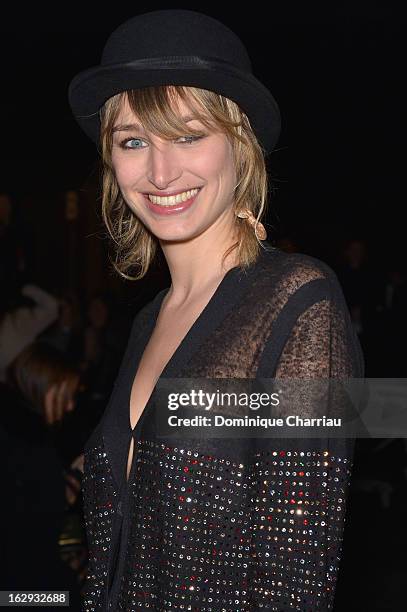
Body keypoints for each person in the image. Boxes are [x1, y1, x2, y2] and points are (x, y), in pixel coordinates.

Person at [68, 10, 364, 610]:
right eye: (133, 141)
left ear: (241, 144)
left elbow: (295, 583)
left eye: (188, 134)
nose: (159, 171)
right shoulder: (149, 320)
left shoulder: (299, 300)